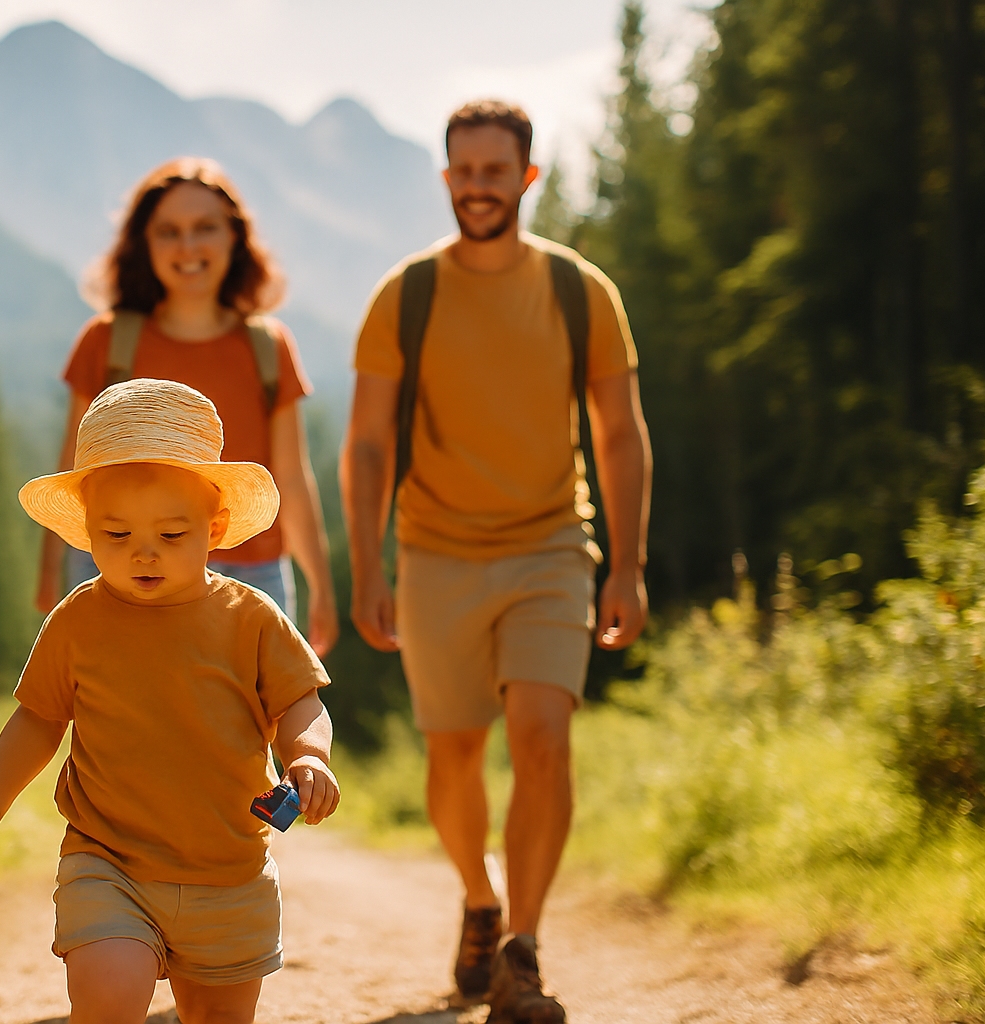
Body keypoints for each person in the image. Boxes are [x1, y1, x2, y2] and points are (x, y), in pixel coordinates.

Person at [340, 100, 651, 1023]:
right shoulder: (407, 296)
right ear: (447, 181)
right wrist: (369, 569)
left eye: (495, 170)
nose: (478, 187)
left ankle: (523, 946)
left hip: (553, 545)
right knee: (455, 757)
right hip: (436, 552)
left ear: (527, 177)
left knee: (544, 736)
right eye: (463, 172)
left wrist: (625, 565)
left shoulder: (578, 291)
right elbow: (364, 448)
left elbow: (621, 436)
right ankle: (478, 899)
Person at [0, 378, 341, 1024]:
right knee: (108, 994)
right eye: (118, 534)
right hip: (109, 859)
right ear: (87, 531)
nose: (144, 553)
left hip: (229, 870)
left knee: (218, 1015)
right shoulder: (79, 620)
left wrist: (310, 756)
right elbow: (39, 717)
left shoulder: (251, 618)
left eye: (172, 534)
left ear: (213, 530)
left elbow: (302, 701)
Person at [36, 157, 338, 656]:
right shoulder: (108, 342)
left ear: (234, 238)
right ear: (144, 244)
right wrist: (52, 575)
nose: (188, 246)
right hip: (122, 566)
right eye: (169, 232)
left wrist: (320, 584)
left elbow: (291, 475)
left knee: (243, 729)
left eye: (205, 228)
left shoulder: (267, 347)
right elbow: (73, 466)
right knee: (118, 722)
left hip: (249, 571)